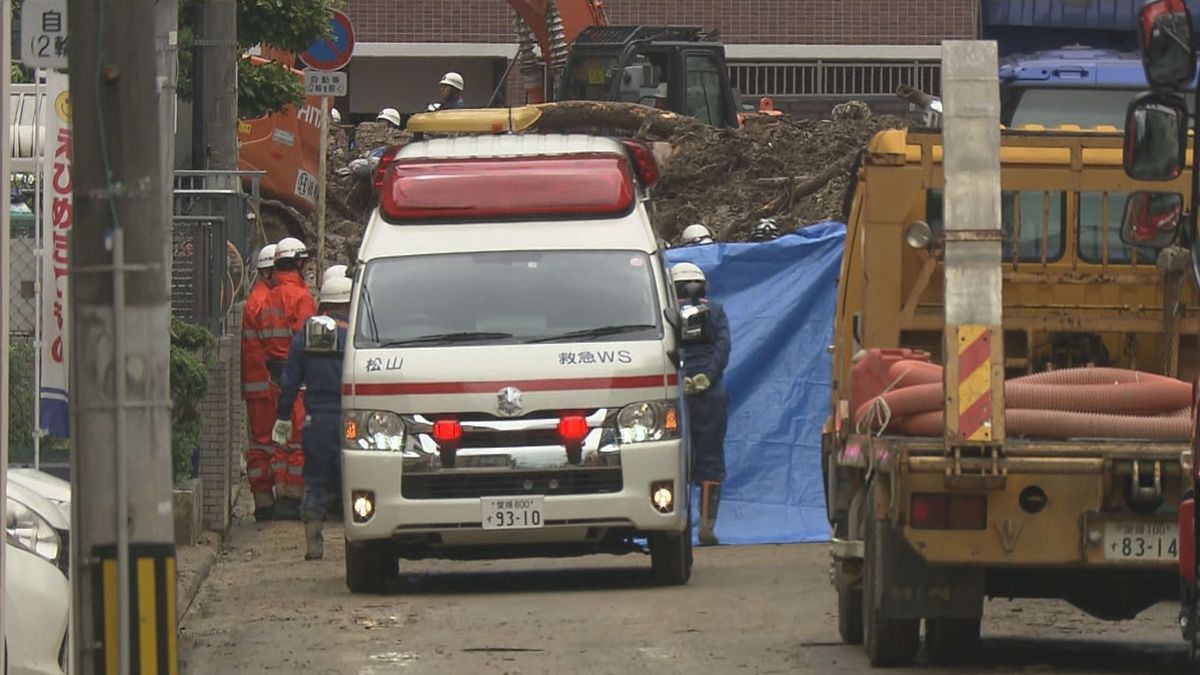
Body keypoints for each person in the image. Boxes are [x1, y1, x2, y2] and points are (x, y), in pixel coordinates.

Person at [272, 275, 353, 560]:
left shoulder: (305, 335)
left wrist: (282, 417)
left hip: (316, 422)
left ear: (324, 303)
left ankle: (313, 544)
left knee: (316, 481)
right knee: (355, 482)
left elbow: (290, 381)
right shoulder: (358, 335)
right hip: (352, 423)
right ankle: (359, 543)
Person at [671, 262, 731, 545]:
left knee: (673, 459)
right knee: (710, 460)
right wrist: (707, 377)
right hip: (710, 396)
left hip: (675, 396)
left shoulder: (667, 314)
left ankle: (676, 524)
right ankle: (706, 527)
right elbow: (723, 347)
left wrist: (679, 378)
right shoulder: (716, 311)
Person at [263, 237, 318, 519]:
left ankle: (281, 493)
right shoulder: (301, 297)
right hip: (297, 379)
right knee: (298, 442)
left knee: (280, 439)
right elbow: (308, 341)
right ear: (298, 262)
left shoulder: (268, 295)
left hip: (275, 378)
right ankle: (295, 497)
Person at [241, 243, 280, 520]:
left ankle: (263, 499)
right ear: (268, 272)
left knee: (262, 444)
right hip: (265, 386)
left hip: (260, 386)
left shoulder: (258, 298)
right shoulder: (263, 301)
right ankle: (265, 501)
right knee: (265, 445)